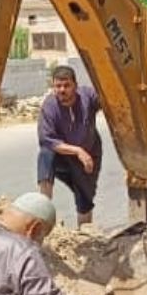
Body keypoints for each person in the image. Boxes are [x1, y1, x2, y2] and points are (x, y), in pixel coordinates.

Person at [37, 65, 104, 226]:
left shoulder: (87, 96)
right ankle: (42, 209)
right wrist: (77, 151)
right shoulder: (49, 106)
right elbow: (47, 139)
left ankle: (85, 234)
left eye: (66, 85)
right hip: (63, 156)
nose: (62, 90)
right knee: (46, 154)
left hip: (88, 156)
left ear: (75, 85)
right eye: (58, 86)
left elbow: (109, 100)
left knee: (85, 200)